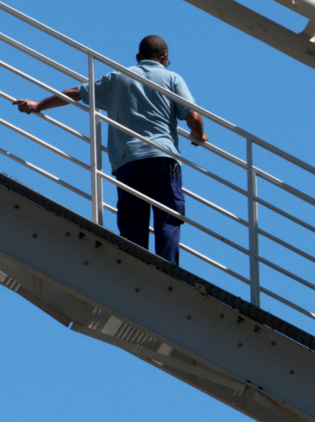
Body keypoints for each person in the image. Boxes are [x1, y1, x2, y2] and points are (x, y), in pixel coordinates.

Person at [13, 35, 207, 265]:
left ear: (138, 57)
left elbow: (76, 92)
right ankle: (169, 271)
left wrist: (39, 105)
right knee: (168, 219)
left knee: (132, 224)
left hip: (129, 160)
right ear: (164, 58)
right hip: (163, 158)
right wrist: (200, 136)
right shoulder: (172, 78)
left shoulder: (118, 78)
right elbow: (193, 117)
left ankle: (135, 267)